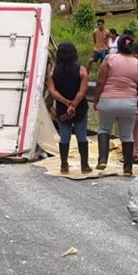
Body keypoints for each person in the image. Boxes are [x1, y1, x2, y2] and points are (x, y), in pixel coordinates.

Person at [93, 34, 138, 176]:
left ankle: (102, 159)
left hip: (108, 100)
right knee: (127, 135)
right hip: (128, 102)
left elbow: (100, 82)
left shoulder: (109, 59)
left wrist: (96, 99)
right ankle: (128, 168)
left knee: (104, 129)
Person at [47, 42, 91, 175]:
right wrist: (74, 104)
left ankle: (64, 165)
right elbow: (83, 91)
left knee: (64, 136)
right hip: (80, 108)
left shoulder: (53, 72)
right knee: (81, 134)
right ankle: (84, 165)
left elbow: (52, 90)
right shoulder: (81, 70)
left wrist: (65, 102)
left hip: (62, 109)